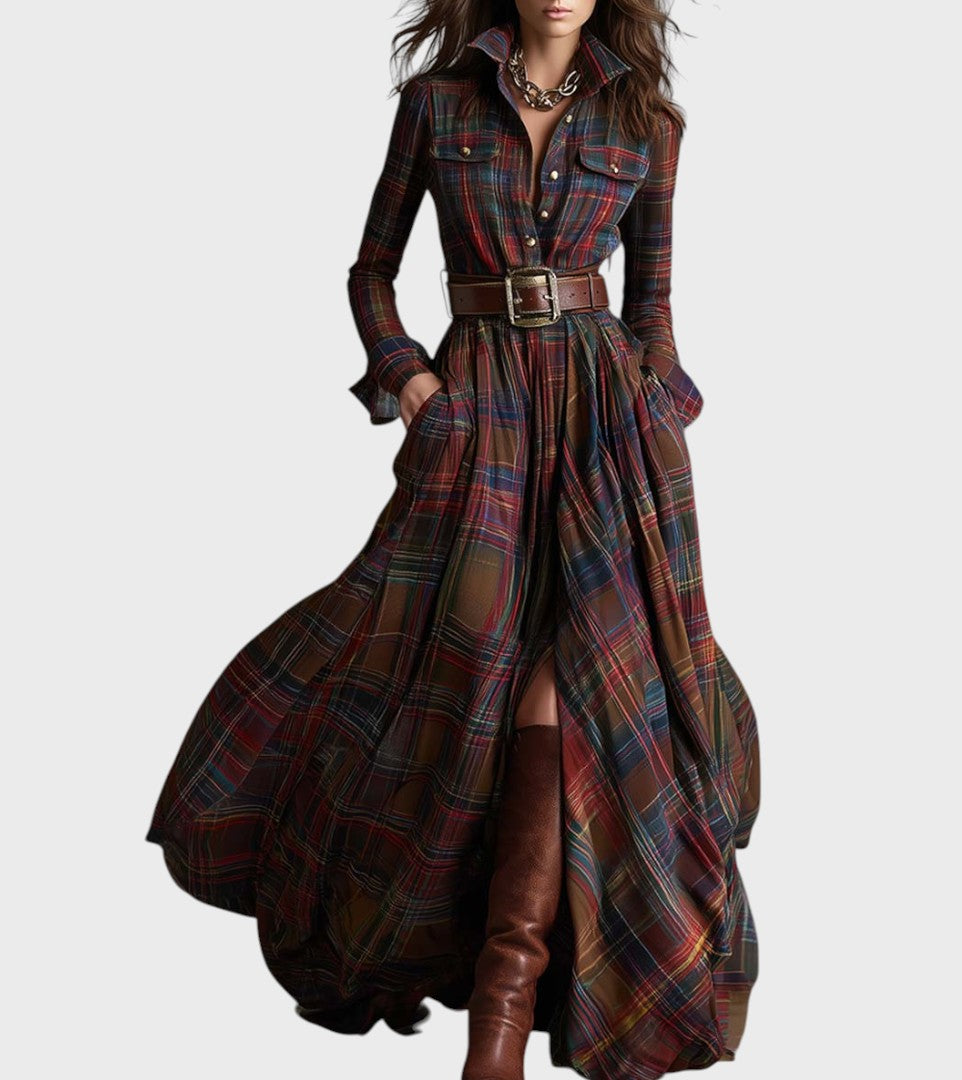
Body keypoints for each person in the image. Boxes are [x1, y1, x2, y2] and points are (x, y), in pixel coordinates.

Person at [145, 2, 762, 1078]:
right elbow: (370, 273)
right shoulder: (437, 106)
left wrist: (658, 408)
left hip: (606, 426)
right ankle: (401, 923)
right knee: (461, 658)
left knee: (589, 671)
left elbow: (654, 303)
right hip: (480, 410)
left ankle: (499, 1030)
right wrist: (415, 386)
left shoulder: (647, 122)